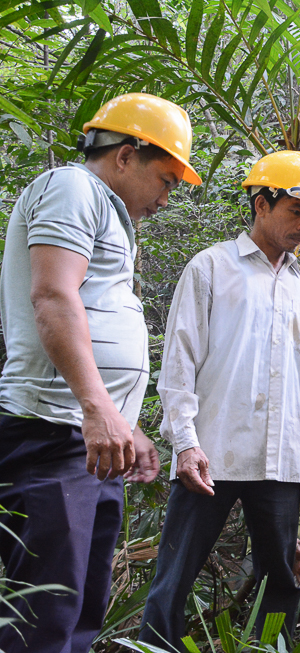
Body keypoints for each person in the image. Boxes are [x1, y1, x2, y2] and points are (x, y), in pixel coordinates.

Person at [0, 92, 199, 653]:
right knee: (44, 618)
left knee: (80, 609)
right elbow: (54, 297)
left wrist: (125, 421)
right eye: (165, 179)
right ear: (126, 155)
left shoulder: (106, 210)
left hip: (87, 442)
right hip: (52, 434)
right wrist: (96, 407)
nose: (167, 197)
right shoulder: (73, 187)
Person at [138, 151, 300, 651]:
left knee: (283, 581)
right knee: (174, 577)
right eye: (296, 211)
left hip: (280, 462)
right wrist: (184, 443)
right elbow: (179, 363)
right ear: (261, 203)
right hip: (212, 456)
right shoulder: (210, 268)